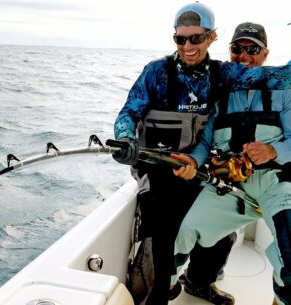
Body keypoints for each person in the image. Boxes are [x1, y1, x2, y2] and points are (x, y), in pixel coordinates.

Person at [112, 1, 291, 304]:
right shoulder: (158, 72)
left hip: (234, 177)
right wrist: (126, 140)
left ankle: (199, 282)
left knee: (241, 241)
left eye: (196, 38)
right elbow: (129, 113)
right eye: (180, 39)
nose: (188, 45)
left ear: (212, 37)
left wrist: (272, 149)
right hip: (165, 172)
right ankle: (155, 290)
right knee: (166, 230)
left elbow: (278, 77)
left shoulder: (225, 77)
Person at [172, 22, 291, 305]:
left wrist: (274, 151)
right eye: (238, 48)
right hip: (230, 186)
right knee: (182, 231)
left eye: (253, 49)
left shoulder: (285, 91)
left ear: (265, 54)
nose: (244, 55)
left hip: (276, 186)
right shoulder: (219, 92)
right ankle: (160, 291)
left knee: (289, 251)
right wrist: (192, 160)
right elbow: (204, 142)